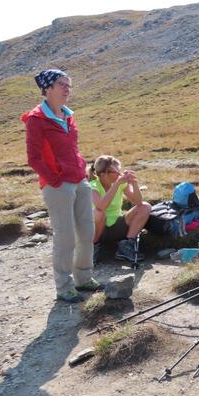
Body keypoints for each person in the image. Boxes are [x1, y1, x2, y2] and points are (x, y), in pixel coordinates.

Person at [23, 69, 101, 302]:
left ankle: (84, 278)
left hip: (80, 180)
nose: (67, 89)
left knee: (86, 232)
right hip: (58, 185)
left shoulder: (68, 115)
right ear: (48, 88)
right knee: (65, 236)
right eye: (62, 84)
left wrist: (82, 170)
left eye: (69, 85)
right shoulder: (36, 119)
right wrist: (55, 179)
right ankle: (64, 287)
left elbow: (72, 149)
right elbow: (34, 158)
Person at [88, 156, 151, 262]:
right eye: (116, 172)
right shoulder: (92, 186)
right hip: (97, 229)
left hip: (116, 225)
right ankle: (93, 248)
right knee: (99, 213)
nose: (119, 174)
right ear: (103, 174)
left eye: (120, 171)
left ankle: (126, 246)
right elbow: (101, 206)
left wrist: (134, 183)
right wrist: (116, 185)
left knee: (145, 207)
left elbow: (138, 202)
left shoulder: (120, 184)